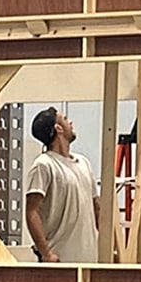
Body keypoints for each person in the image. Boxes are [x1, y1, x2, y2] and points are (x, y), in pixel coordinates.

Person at [24, 107, 100, 263]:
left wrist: (110, 246)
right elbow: (32, 211)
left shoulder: (83, 162)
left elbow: (96, 206)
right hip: (60, 260)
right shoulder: (44, 165)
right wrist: (46, 253)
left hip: (90, 259)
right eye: (65, 119)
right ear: (58, 128)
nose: (70, 122)